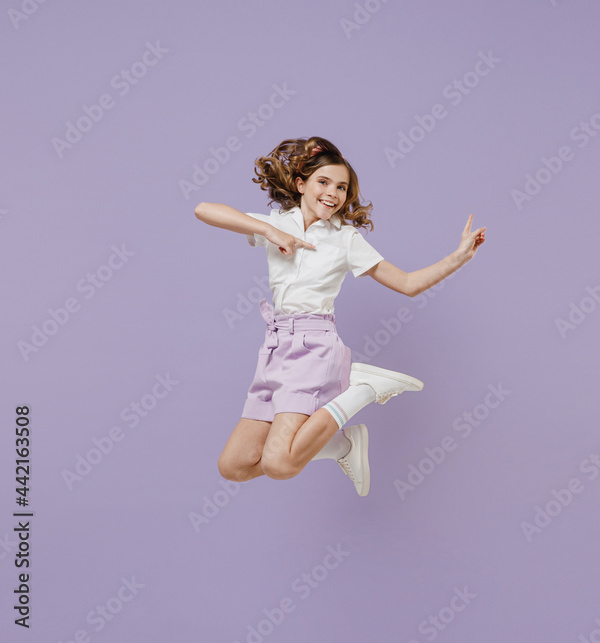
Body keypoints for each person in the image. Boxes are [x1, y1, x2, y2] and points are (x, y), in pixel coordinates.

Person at [194, 136, 485, 496]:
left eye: (342, 187)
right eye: (324, 182)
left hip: (314, 347)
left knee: (279, 463)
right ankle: (343, 446)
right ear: (301, 184)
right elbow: (204, 209)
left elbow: (408, 283)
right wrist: (268, 230)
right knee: (234, 466)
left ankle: (362, 389)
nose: (333, 192)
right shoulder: (277, 224)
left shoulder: (345, 239)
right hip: (274, 349)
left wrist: (457, 258)